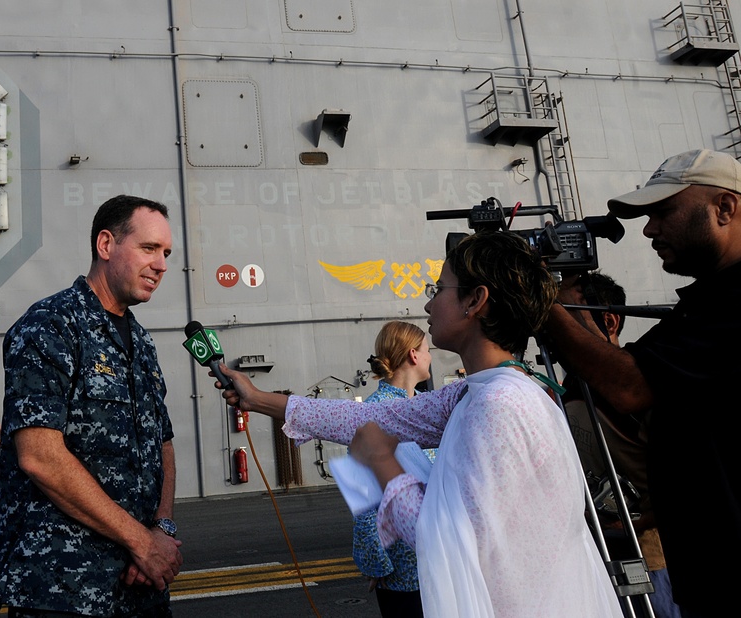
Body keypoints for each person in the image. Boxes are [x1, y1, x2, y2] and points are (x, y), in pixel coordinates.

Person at [218, 231, 622, 617]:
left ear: (475, 301)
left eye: (439, 290)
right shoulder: (489, 390)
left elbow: (447, 541)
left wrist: (382, 465)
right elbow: (375, 416)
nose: (428, 305)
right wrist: (258, 399)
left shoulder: (498, 405)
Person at [545, 148, 741, 618]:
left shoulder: (734, 305)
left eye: (663, 212)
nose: (649, 229)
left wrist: (540, 304)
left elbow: (630, 385)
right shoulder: (706, 305)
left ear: (725, 208)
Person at [0, 195, 183, 618]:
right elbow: (41, 458)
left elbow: (163, 445)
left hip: (140, 584)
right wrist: (142, 542)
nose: (162, 265)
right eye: (149, 248)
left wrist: (161, 530)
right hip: (65, 589)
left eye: (167, 253)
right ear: (105, 245)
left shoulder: (142, 343)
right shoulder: (49, 327)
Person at [555, 272, 680, 618]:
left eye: (567, 317)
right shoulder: (565, 392)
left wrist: (628, 525)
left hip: (655, 563)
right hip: (593, 561)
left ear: (608, 320)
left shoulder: (640, 389)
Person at [353, 321, 434, 618]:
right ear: (414, 355)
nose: (429, 356)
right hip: (406, 568)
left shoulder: (425, 406)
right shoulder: (374, 413)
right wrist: (378, 564)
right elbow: (365, 500)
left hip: (428, 562)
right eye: (427, 350)